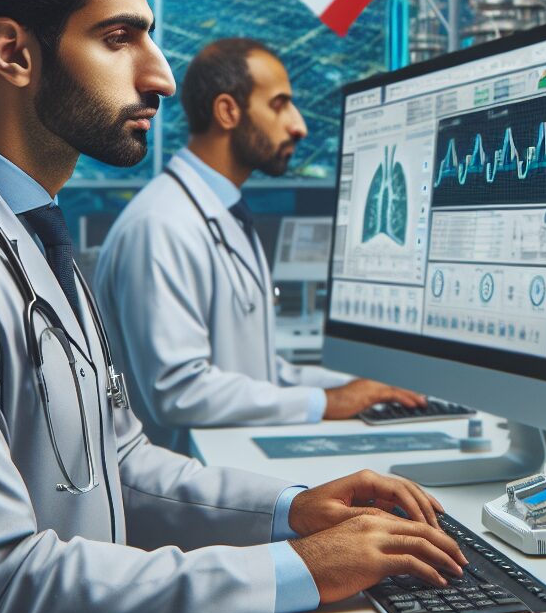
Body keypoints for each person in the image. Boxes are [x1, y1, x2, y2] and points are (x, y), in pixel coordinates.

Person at [0, 0, 466, 613]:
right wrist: (298, 571)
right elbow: (5, 591)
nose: (161, 75)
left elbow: (119, 463)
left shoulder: (35, 240)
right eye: (119, 38)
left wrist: (293, 513)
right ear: (14, 54)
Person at [95, 36, 426, 451]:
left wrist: (358, 389)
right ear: (228, 112)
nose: (298, 125)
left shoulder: (221, 212)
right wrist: (326, 402)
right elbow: (180, 392)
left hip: (228, 468)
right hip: (182, 492)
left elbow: (258, 375)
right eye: (279, 104)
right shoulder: (161, 225)